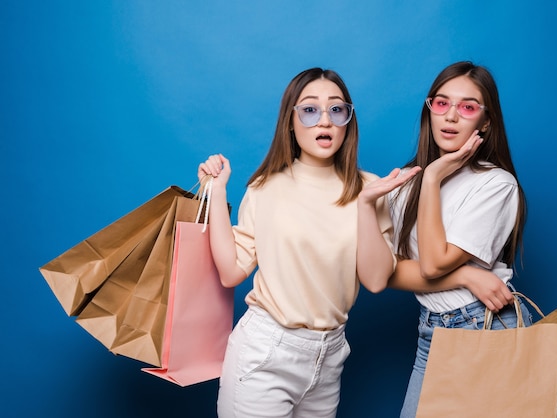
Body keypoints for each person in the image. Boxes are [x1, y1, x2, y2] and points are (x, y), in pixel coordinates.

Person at [197, 67, 419, 418]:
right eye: (310, 110)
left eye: (336, 109)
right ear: (291, 120)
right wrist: (217, 190)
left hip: (329, 359)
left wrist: (364, 204)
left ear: (348, 120)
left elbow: (376, 280)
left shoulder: (371, 188)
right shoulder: (266, 187)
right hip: (266, 351)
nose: (325, 121)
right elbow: (230, 271)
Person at [367, 61, 533, 418]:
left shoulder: (496, 184)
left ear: (485, 122)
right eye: (441, 104)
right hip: (433, 331)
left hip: (486, 326)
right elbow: (384, 273)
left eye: (468, 107)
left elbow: (432, 263)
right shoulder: (402, 187)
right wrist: (465, 275)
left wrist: (432, 178)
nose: (451, 116)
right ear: (429, 111)